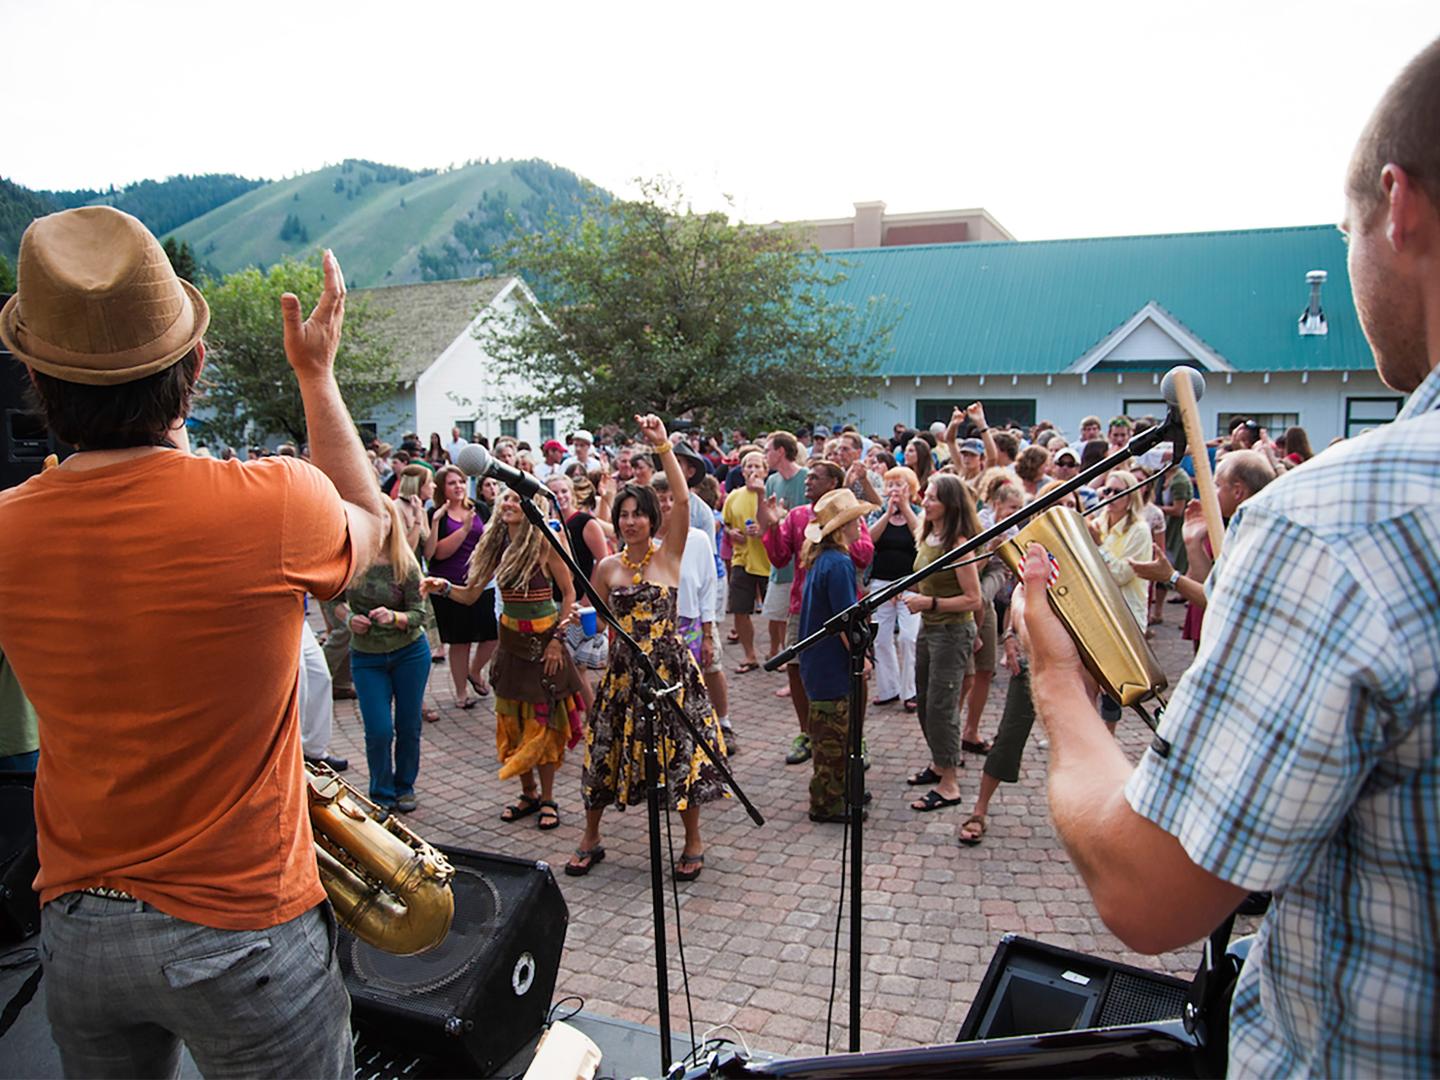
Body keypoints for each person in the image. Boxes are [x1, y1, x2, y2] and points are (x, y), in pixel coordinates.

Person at [1016, 38, 1440, 1075]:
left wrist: (1057, 678)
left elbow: (1147, 892)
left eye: (1346, 232)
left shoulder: (1345, 521)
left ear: (1400, 206)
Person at [0, 210, 384, 1076]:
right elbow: (377, 523)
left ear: (34, 376)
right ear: (195, 366)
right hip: (243, 928)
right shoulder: (273, 502)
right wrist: (316, 377)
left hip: (77, 928)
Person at [566, 415, 727, 881]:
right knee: (602, 754)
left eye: (638, 513)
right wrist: (576, 622)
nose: (630, 520)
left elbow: (682, 497)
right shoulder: (608, 569)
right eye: (623, 514)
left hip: (670, 671)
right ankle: (591, 837)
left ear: (652, 520)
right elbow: (593, 620)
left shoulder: (668, 556)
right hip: (621, 674)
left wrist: (662, 449)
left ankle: (693, 840)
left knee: (681, 755)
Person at [423, 487, 584, 832]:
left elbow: (569, 592)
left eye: (515, 498)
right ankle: (528, 795)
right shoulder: (495, 547)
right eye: (505, 499)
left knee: (544, 725)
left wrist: (558, 640)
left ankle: (549, 799)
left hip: (545, 646)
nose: (509, 503)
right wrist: (443, 586)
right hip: (511, 646)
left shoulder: (544, 540)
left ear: (530, 506)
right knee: (512, 724)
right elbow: (469, 595)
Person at [758, 460, 874, 764]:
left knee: (854, 670)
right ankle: (808, 731)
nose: (807, 481)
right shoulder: (797, 516)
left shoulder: (848, 519)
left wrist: (836, 534)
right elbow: (780, 557)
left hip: (842, 602)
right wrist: (771, 524)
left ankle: (854, 735)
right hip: (804, 606)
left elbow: (864, 555)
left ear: (833, 484)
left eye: (816, 477)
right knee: (797, 667)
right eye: (808, 476)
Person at [337, 501, 429, 812]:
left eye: (385, 517)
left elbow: (420, 614)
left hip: (409, 653)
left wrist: (394, 617)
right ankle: (381, 792)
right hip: (367, 658)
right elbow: (333, 601)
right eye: (372, 518)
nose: (380, 524)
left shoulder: (405, 562)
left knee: (408, 724)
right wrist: (350, 619)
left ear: (393, 522)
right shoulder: (350, 560)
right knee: (378, 729)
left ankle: (405, 787)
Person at [901, 474, 983, 811]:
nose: (924, 500)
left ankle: (950, 784)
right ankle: (938, 762)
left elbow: (973, 599)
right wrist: (911, 591)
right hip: (930, 628)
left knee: (941, 707)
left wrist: (930, 603)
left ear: (949, 504)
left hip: (951, 632)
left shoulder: (957, 542)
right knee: (925, 703)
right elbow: (927, 580)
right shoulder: (928, 533)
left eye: (932, 497)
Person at [799, 489, 877, 822]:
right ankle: (826, 803)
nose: (860, 524)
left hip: (819, 662)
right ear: (842, 527)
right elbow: (845, 619)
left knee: (839, 730)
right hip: (830, 665)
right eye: (855, 519)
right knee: (832, 736)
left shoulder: (825, 560)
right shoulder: (840, 563)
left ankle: (843, 788)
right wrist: (863, 657)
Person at [425, 464, 498, 707]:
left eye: (461, 481)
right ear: (442, 488)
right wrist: (465, 529)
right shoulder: (437, 515)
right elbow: (436, 554)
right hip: (449, 585)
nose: (458, 486)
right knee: (460, 641)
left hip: (481, 582)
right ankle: (460, 693)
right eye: (452, 482)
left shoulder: (480, 509)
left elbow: (491, 541)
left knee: (492, 635)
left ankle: (475, 671)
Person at [866, 466, 922, 712]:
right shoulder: (879, 512)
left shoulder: (919, 512)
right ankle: (889, 688)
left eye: (900, 485)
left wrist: (906, 508)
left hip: (911, 584)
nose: (894, 490)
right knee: (881, 638)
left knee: (908, 638)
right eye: (890, 485)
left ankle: (911, 691)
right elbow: (869, 540)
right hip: (880, 582)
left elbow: (921, 537)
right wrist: (887, 513)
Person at [722, 450, 772, 673]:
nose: (753, 471)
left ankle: (776, 651)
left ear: (766, 470)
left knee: (775, 612)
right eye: (748, 467)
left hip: (769, 561)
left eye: (757, 466)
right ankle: (750, 655)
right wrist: (732, 532)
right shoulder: (733, 496)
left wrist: (764, 529)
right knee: (740, 609)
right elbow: (726, 523)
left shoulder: (771, 493)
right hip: (742, 558)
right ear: (742, 472)